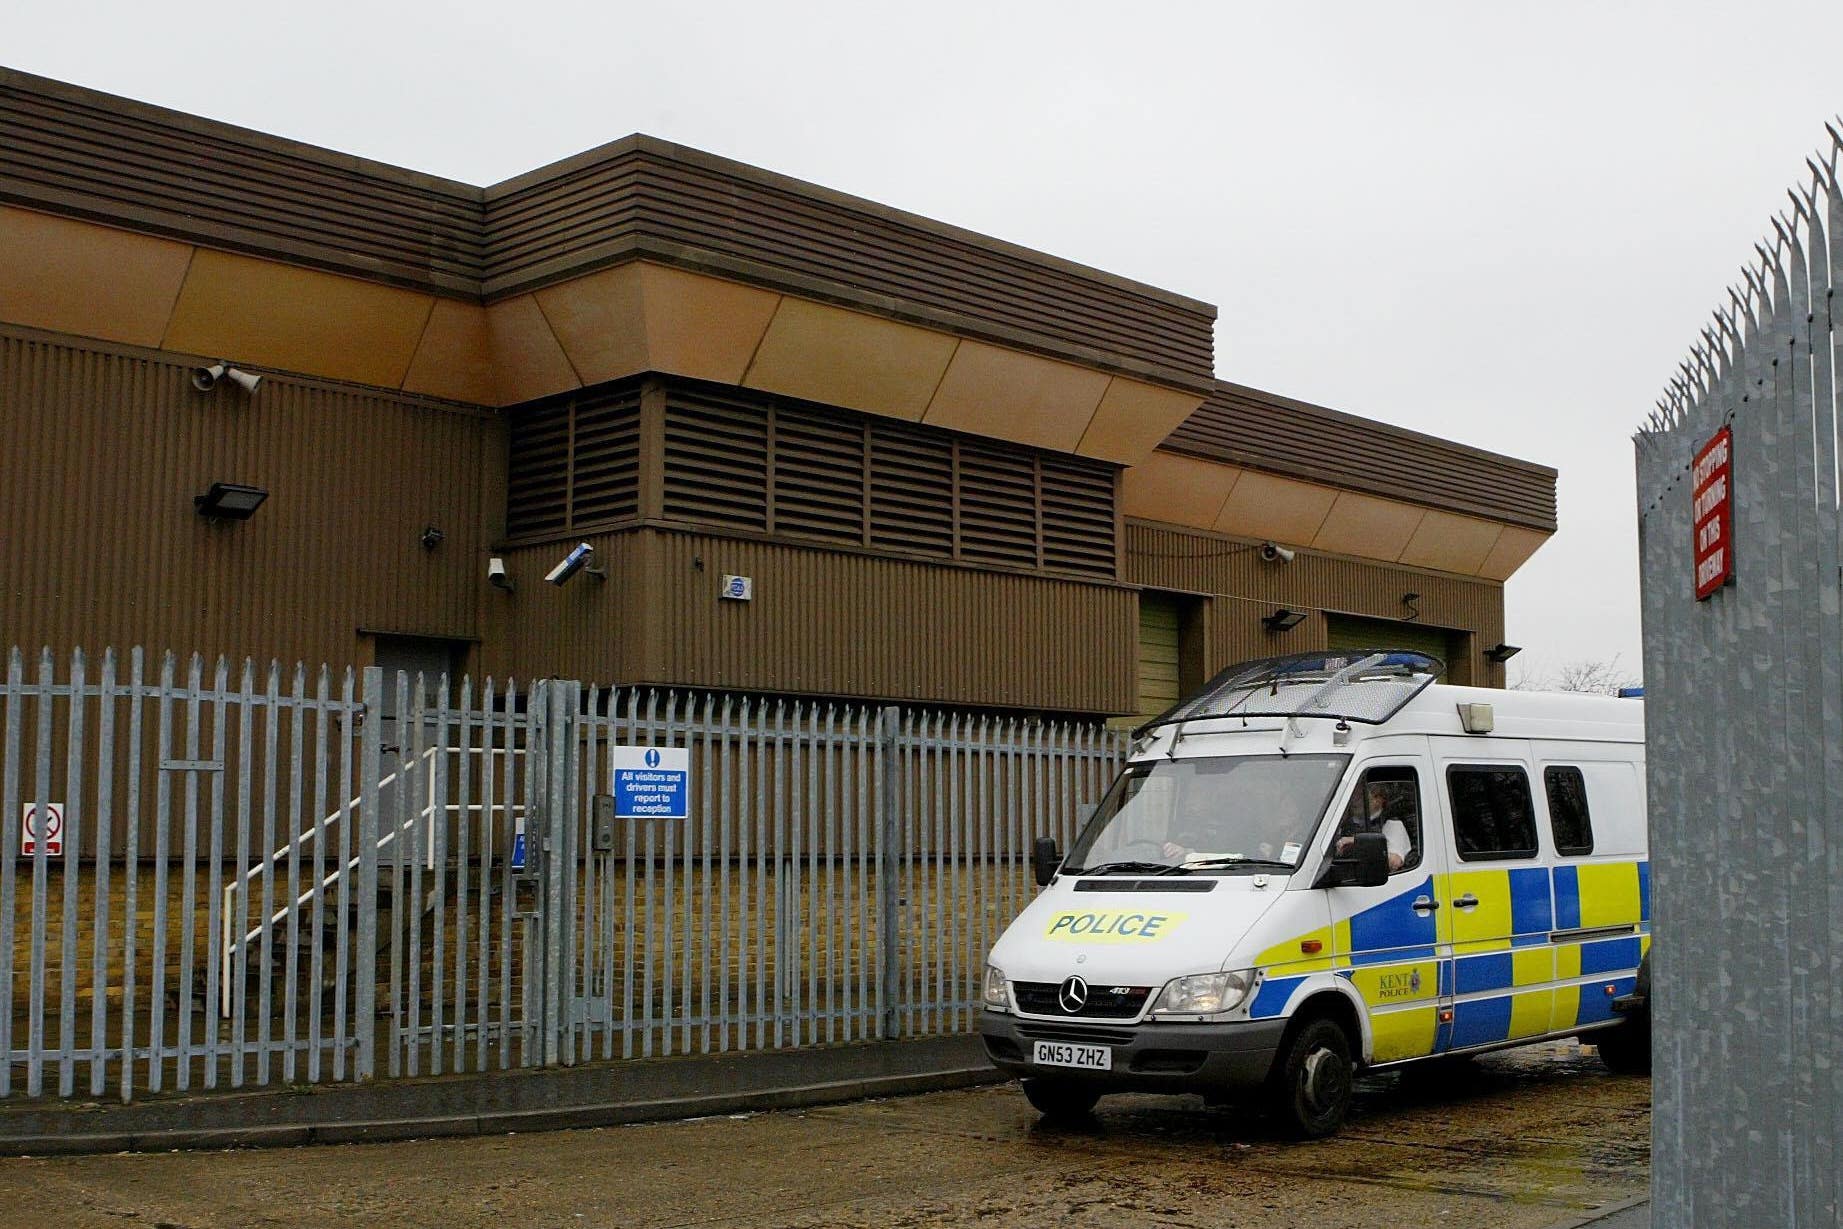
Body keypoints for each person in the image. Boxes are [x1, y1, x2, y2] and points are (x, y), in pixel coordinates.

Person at [1335, 777, 1414, 872]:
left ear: (1378, 799)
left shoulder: (1392, 825)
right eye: (1352, 796)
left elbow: (1394, 862)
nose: (1354, 800)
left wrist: (1358, 842)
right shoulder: (1344, 824)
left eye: (1360, 796)